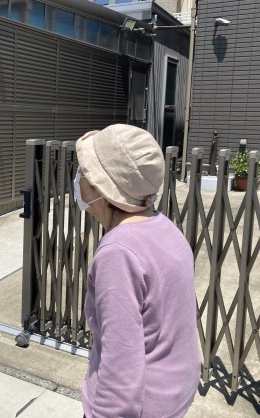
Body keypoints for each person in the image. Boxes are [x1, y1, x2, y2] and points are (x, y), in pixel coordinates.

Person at [74, 124, 200, 418]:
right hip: (173, 394)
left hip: (141, 406)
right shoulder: (164, 228)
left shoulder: (118, 253)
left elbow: (120, 361)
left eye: (84, 171)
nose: (78, 178)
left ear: (101, 187)